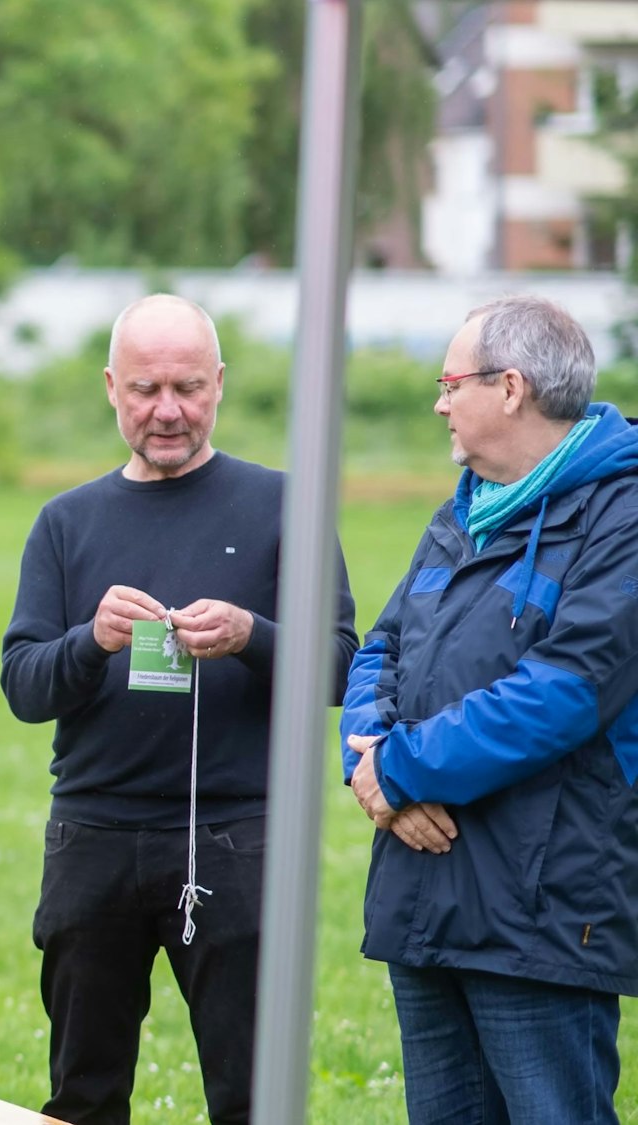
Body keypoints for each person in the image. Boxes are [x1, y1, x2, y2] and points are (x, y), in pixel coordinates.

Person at [0, 294, 358, 1125]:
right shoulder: (66, 522)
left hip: (238, 837)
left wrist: (251, 635)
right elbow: (23, 684)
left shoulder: (285, 508)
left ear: (221, 384)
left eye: (188, 388)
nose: (168, 411)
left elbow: (342, 663)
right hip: (92, 838)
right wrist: (90, 641)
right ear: (112, 388)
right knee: (83, 1094)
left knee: (253, 1095)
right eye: (146, 389)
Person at [341, 296, 638, 1125]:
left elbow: (566, 689)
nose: (439, 402)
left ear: (510, 387)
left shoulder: (623, 513)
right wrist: (368, 762)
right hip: (424, 889)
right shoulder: (464, 507)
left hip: (541, 913)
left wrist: (396, 768)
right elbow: (380, 649)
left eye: (450, 382)